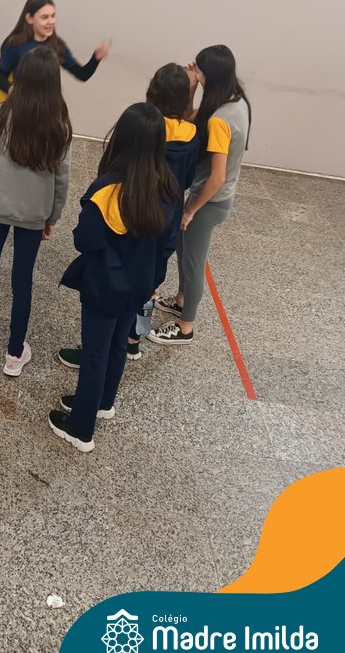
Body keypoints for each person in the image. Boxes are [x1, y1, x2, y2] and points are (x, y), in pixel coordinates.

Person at [49, 103, 180, 453]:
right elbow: (168, 243)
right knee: (119, 344)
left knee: (95, 353)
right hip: (141, 284)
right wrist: (155, 279)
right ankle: (103, 403)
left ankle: (81, 429)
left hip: (105, 285)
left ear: (122, 138)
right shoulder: (169, 186)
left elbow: (85, 240)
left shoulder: (108, 188)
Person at [56, 63, 199, 369]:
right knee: (134, 308)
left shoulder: (142, 133)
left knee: (99, 345)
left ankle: (94, 363)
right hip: (162, 222)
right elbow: (188, 179)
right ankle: (133, 340)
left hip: (125, 230)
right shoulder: (189, 140)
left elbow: (87, 239)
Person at [0, 46, 72, 377]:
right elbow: (62, 179)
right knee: (22, 281)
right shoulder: (59, 125)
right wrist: (52, 217)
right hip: (34, 215)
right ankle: (14, 355)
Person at [149, 45, 251, 345]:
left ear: (211, 76)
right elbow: (193, 118)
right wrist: (193, 87)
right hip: (211, 198)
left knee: (193, 264)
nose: (195, 73)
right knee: (184, 252)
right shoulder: (236, 100)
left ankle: (185, 326)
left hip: (210, 202)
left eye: (200, 71)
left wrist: (191, 209)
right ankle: (181, 300)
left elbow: (217, 177)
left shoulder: (219, 120)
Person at [0, 0, 110, 102]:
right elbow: (0, 75)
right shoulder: (16, 45)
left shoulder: (58, 46)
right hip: (18, 105)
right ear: (30, 18)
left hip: (45, 107)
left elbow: (82, 75)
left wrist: (95, 59)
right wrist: (11, 90)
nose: (51, 22)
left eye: (53, 16)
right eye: (45, 17)